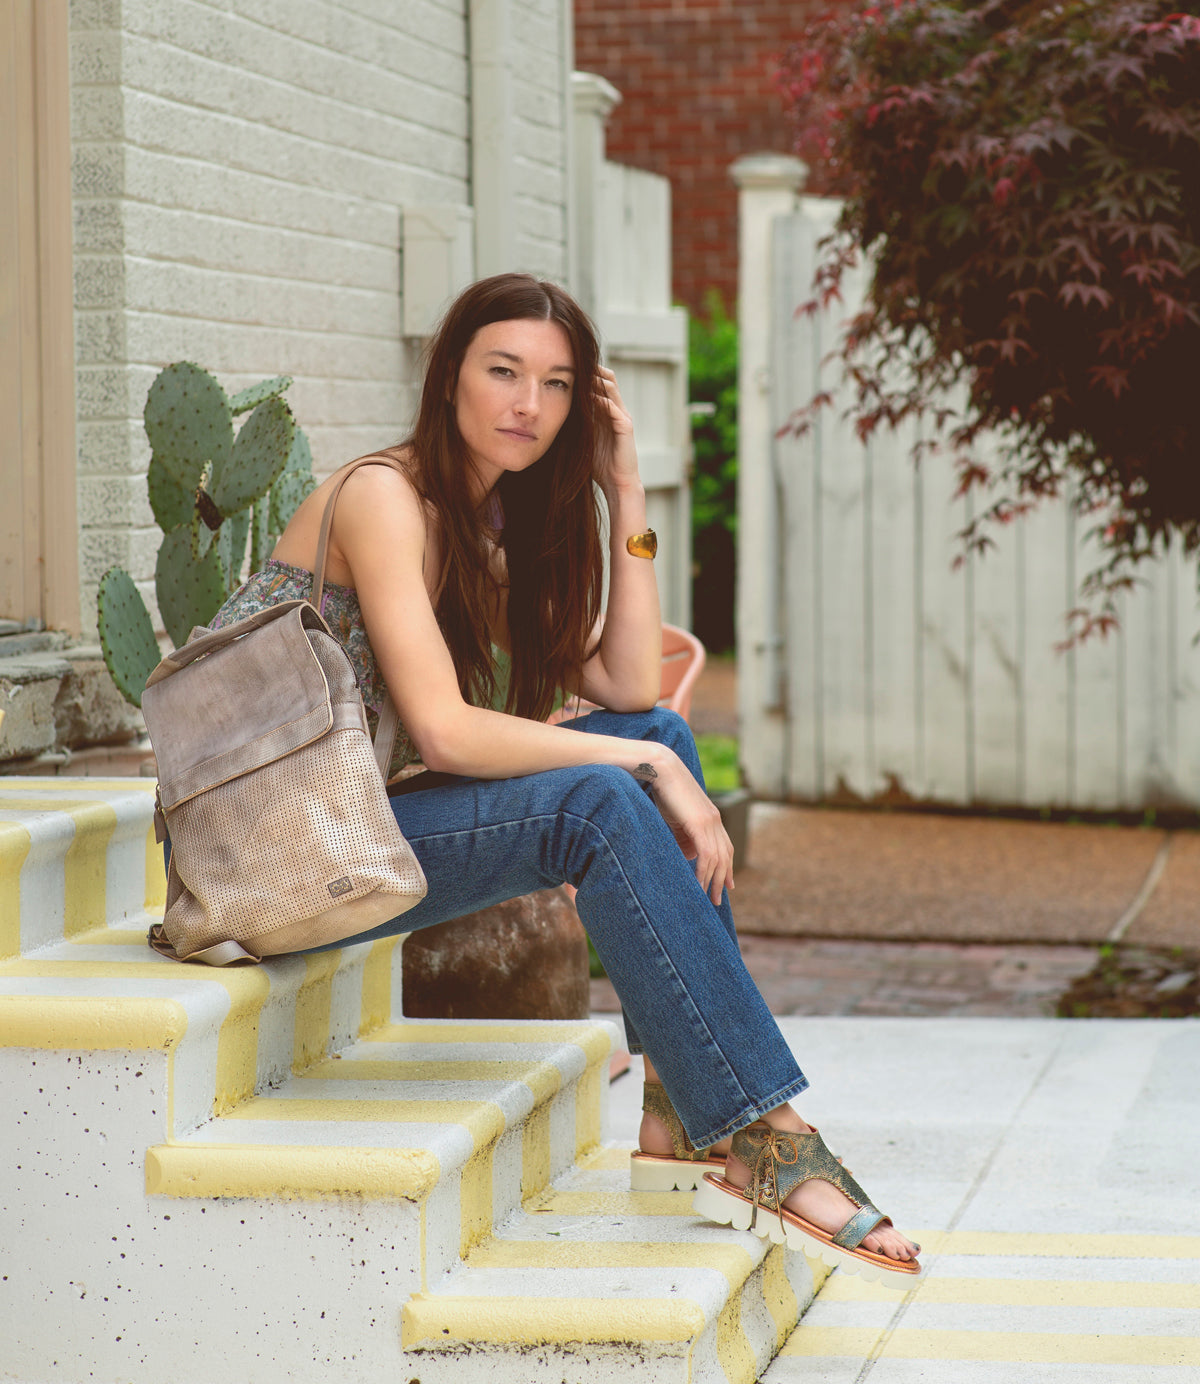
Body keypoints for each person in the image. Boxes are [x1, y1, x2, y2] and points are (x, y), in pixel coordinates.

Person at [207, 272, 921, 1282]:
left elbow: (629, 680)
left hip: (354, 832)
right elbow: (448, 734)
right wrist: (639, 761)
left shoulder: (472, 526)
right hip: (278, 864)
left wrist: (625, 487)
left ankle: (681, 1109)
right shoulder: (381, 497)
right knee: (612, 782)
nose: (526, 405)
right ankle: (765, 1131)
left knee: (656, 725)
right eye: (502, 371)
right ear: (447, 374)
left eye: (553, 384)